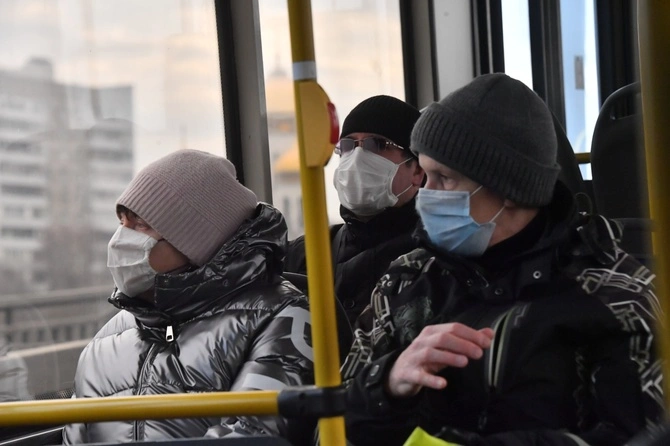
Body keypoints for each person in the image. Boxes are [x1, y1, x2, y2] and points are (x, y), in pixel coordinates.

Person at [342, 74, 663, 446]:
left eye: (443, 178)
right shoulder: (406, 281)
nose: (425, 194)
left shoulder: (614, 296)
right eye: (425, 175)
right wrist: (388, 382)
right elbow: (329, 427)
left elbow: (638, 434)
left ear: (509, 190)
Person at [63, 150, 314, 444]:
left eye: (141, 225)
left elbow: (254, 433)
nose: (119, 239)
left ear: (196, 241)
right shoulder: (105, 341)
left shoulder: (282, 318)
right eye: (122, 222)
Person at [285, 95, 425, 325]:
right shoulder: (305, 254)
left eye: (378, 144)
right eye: (348, 145)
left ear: (417, 171)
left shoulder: (433, 260)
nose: (358, 156)